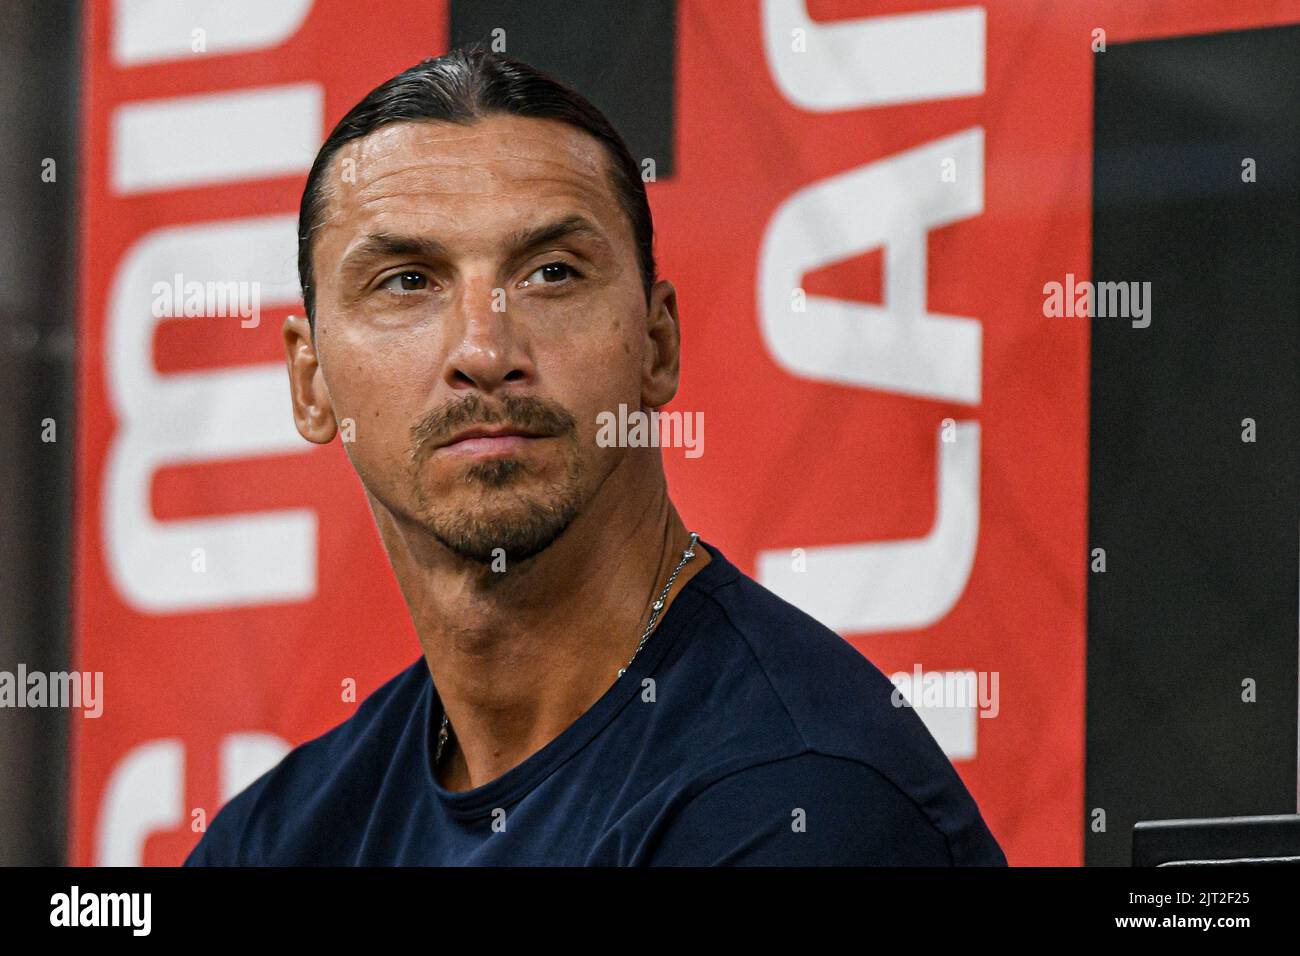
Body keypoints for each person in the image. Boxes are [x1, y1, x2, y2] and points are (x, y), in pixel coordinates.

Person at [184, 45, 1006, 866]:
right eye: (407, 282)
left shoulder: (799, 803)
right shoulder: (272, 841)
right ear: (311, 383)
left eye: (551, 272)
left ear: (657, 345)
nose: (483, 346)